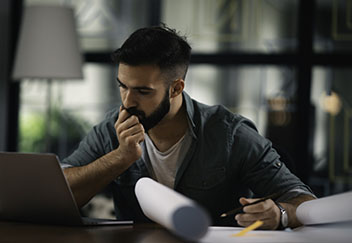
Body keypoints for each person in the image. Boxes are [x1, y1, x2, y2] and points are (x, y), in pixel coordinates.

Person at [61, 24, 315, 229]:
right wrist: (119, 158)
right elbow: (59, 195)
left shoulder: (230, 134)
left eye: (143, 91)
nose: (127, 101)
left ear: (176, 88)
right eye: (123, 86)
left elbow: (303, 200)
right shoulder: (111, 128)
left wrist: (281, 214)